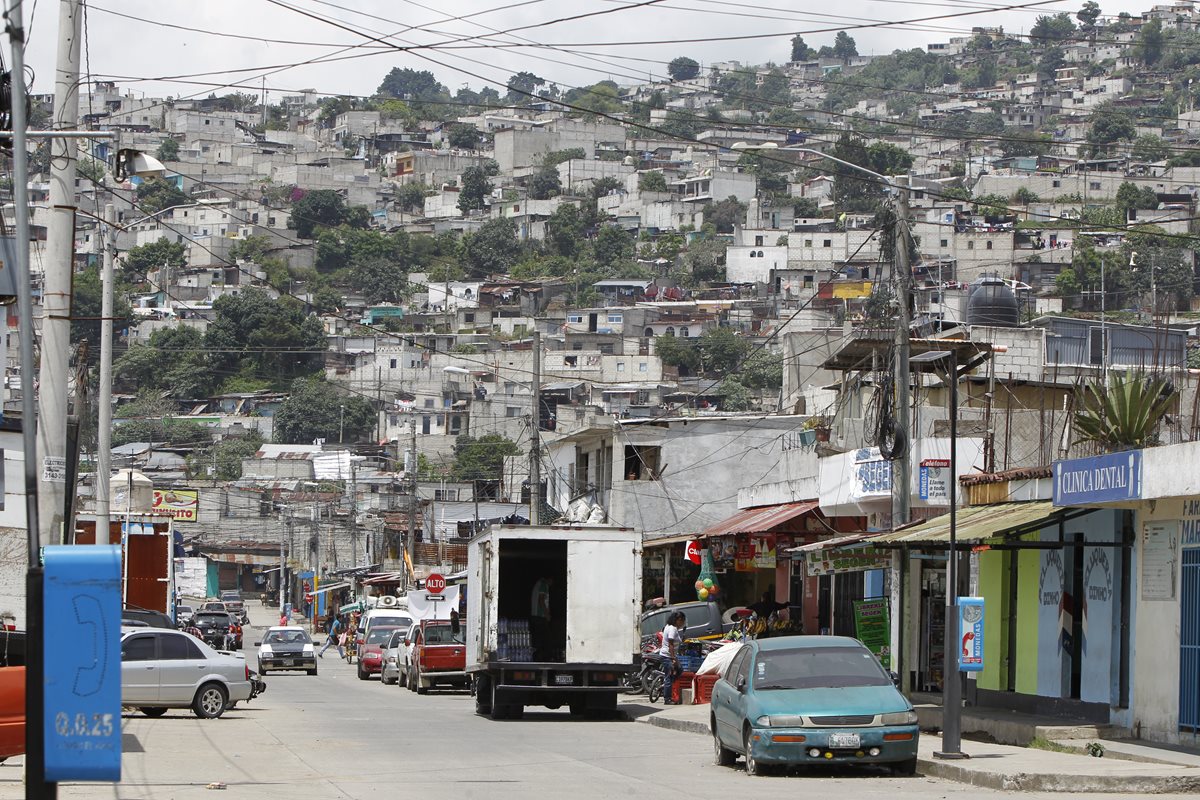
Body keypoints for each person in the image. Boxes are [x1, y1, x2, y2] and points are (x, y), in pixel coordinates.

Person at [657, 612, 686, 704]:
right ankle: (667, 699)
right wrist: (673, 658)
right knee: (669, 676)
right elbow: (670, 644)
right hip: (667, 656)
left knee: (679, 669)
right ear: (678, 620)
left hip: (669, 655)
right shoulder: (672, 629)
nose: (682, 624)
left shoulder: (669, 626)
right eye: (682, 621)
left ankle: (666, 686)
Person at [530, 576, 553, 661]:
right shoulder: (543, 585)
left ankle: (537, 659)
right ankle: (545, 660)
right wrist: (547, 614)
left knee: (538, 639)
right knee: (546, 640)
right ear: (550, 579)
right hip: (540, 617)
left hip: (536, 616)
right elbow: (541, 600)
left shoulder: (538, 583)